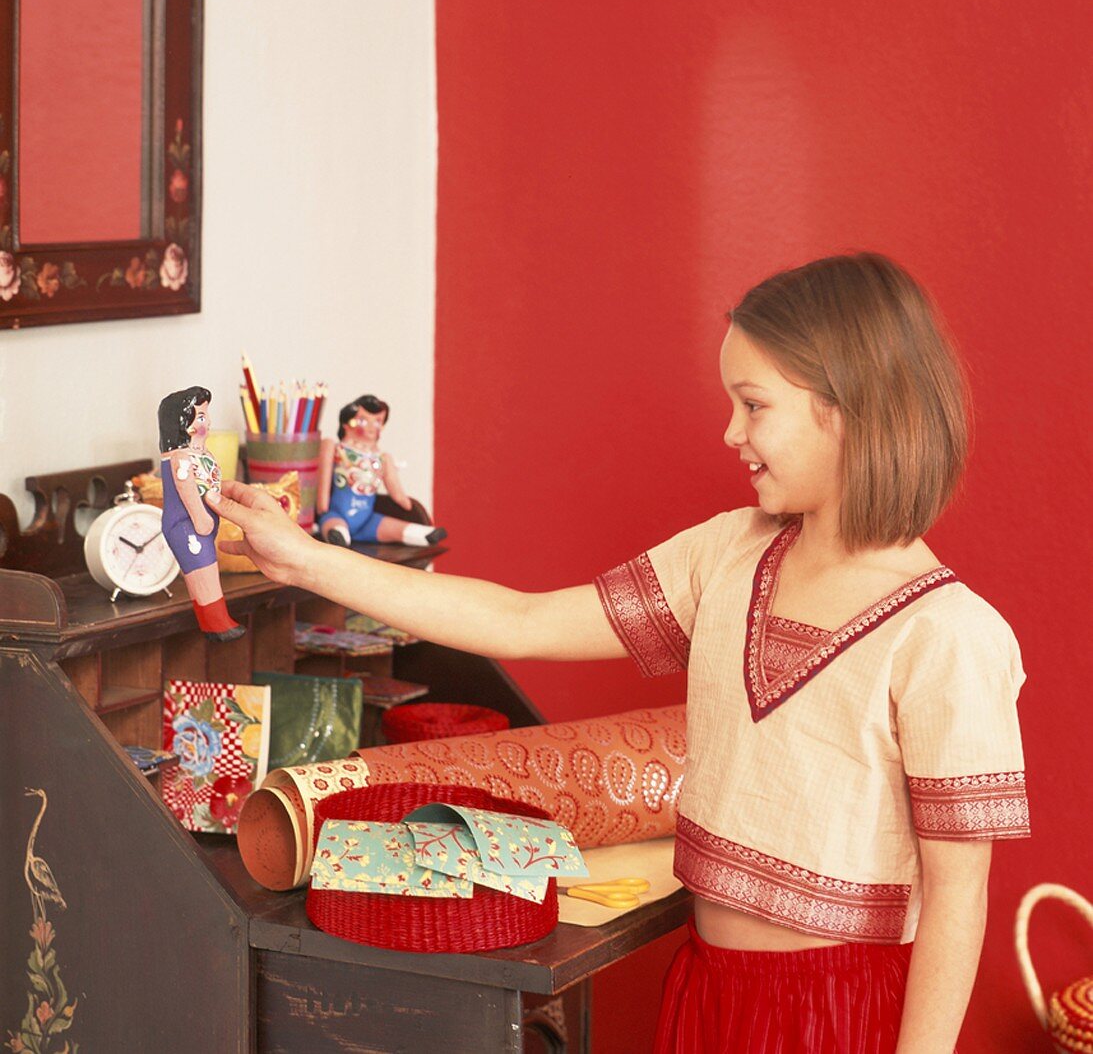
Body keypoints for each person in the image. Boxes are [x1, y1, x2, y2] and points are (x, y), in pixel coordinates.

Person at [207, 253, 1029, 1053]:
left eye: (754, 405)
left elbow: (959, 899)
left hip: (844, 1015)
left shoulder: (948, 635)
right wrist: (308, 559)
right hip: (709, 991)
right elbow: (521, 620)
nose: (730, 432)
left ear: (849, 407)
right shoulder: (730, 554)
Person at [158, 386, 245, 641]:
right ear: (184, 425)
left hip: (200, 524)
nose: (208, 423)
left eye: (206, 416)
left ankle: (212, 622)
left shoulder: (199, 453)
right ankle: (218, 625)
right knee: (204, 572)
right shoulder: (181, 458)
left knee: (199, 575)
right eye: (202, 417)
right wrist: (200, 518)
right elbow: (187, 489)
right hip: (188, 524)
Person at [316, 394, 447, 548]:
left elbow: (395, 490)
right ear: (346, 423)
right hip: (337, 514)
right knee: (335, 527)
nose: (371, 427)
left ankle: (421, 534)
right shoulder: (336, 448)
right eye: (363, 420)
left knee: (395, 528)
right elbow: (322, 479)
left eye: (378, 421)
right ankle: (339, 536)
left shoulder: (383, 458)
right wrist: (322, 507)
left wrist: (405, 503)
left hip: (368, 519)